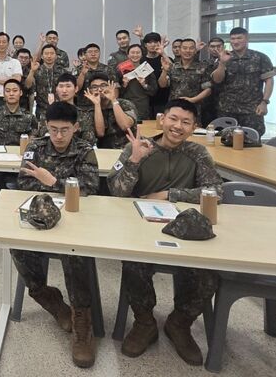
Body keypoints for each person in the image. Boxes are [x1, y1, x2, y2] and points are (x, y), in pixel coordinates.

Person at [107, 98, 222, 366]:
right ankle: (144, 322)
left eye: (186, 122)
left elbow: (216, 191)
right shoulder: (138, 147)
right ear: (162, 120)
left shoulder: (198, 153)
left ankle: (179, 323)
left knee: (208, 272)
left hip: (185, 227)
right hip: (141, 225)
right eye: (173, 119)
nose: (178, 126)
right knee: (134, 263)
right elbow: (116, 191)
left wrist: (170, 194)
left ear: (194, 127)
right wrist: (134, 161)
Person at [11, 101, 100, 368]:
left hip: (75, 217)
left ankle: (81, 319)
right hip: (40, 212)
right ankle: (48, 298)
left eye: (64, 130)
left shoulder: (85, 150)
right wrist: (62, 187)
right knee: (18, 247)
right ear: (46, 127)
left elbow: (91, 187)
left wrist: (52, 182)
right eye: (53, 129)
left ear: (76, 127)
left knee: (75, 253)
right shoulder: (35, 147)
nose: (58, 136)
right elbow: (23, 182)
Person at [0, 82, 39, 195]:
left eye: (15, 90)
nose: (11, 94)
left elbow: (33, 142)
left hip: (19, 164)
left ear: (21, 93)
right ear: (4, 94)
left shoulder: (29, 117)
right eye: (8, 91)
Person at [211, 27, 276, 136]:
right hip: (227, 109)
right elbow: (217, 80)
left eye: (239, 38)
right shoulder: (224, 57)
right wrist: (222, 63)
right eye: (233, 39)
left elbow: (269, 81)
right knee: (225, 140)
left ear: (246, 39)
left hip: (252, 109)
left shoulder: (260, 57)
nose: (235, 42)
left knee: (253, 140)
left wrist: (264, 102)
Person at [158, 38, 212, 115]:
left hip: (193, 108)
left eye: (191, 48)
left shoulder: (202, 68)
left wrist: (193, 100)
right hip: (174, 107)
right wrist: (164, 71)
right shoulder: (173, 67)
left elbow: (208, 90)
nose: (188, 51)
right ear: (180, 50)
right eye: (185, 48)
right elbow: (162, 85)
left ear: (195, 51)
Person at [85, 73, 137, 148]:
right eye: (94, 87)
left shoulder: (125, 104)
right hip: (104, 151)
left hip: (127, 148)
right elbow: (100, 133)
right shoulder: (88, 110)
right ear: (89, 91)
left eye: (103, 85)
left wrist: (113, 99)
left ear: (110, 87)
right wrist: (97, 104)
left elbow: (125, 126)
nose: (99, 89)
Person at [54, 73, 96, 147]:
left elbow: (89, 141)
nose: (64, 90)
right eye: (61, 86)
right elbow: (43, 136)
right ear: (56, 89)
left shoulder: (83, 115)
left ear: (76, 89)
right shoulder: (50, 113)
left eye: (68, 86)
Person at [117, 44, 158, 121]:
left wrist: (144, 85)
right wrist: (124, 85)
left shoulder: (147, 69)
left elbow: (154, 91)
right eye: (132, 52)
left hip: (142, 107)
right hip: (126, 106)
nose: (135, 55)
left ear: (142, 55)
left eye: (138, 52)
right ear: (128, 55)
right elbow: (117, 92)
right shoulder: (121, 70)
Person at [26, 44, 65, 122]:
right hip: (41, 110)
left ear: (56, 56)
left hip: (60, 108)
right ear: (42, 56)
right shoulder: (37, 70)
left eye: (52, 53)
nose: (49, 56)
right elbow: (27, 85)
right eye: (46, 54)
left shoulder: (62, 71)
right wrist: (32, 71)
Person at [141, 32, 170, 115]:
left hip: (164, 100)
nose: (153, 44)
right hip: (146, 101)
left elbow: (174, 69)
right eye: (150, 42)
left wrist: (163, 53)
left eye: (156, 42)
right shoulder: (141, 61)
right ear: (145, 45)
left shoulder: (165, 59)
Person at [199, 37, 224, 127]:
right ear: (208, 48)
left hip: (225, 103)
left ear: (223, 47)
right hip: (207, 104)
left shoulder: (230, 61)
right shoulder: (205, 63)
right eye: (212, 46)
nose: (215, 49)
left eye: (218, 46)